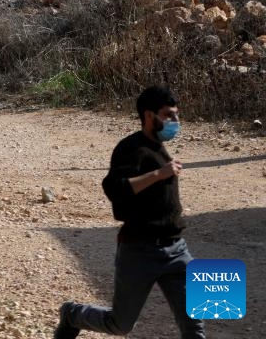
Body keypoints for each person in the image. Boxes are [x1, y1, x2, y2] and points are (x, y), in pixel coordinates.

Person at [54, 86, 206, 339]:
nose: (175, 122)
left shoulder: (159, 147)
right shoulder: (131, 148)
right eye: (169, 115)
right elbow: (114, 188)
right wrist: (159, 174)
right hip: (140, 250)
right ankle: (73, 314)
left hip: (177, 250)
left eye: (177, 115)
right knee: (120, 324)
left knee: (195, 325)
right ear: (149, 115)